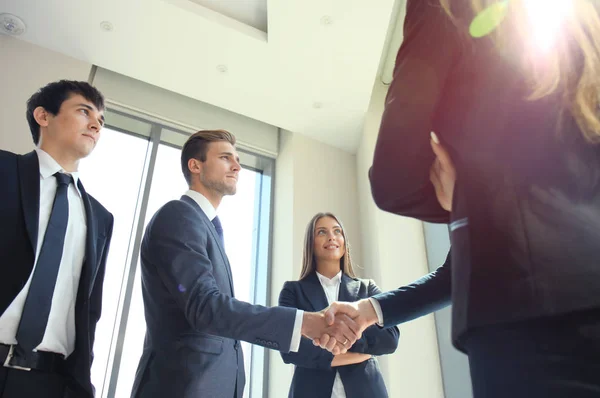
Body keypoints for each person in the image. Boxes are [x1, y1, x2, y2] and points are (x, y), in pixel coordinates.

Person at [320, 0, 600, 397]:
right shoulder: (584, 17)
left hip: (530, 327)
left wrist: (471, 198)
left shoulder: (446, 7)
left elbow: (393, 178)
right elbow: (468, 263)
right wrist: (370, 311)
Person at [131, 130, 360, 398]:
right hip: (180, 386)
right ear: (195, 165)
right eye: (226, 157)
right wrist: (303, 322)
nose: (237, 166)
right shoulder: (179, 215)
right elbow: (205, 307)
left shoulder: (208, 228)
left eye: (238, 159)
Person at [0, 80, 114, 397]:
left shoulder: (101, 218)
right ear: (43, 116)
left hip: (48, 381)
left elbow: (89, 311)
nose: (96, 124)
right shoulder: (4, 169)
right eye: (84, 111)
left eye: (101, 121)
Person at [279, 213, 399, 398]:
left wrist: (331, 341)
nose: (331, 237)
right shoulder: (293, 291)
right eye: (321, 232)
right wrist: (362, 353)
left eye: (337, 231)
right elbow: (290, 349)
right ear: (311, 243)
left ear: (344, 242)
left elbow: (390, 339)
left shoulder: (367, 288)